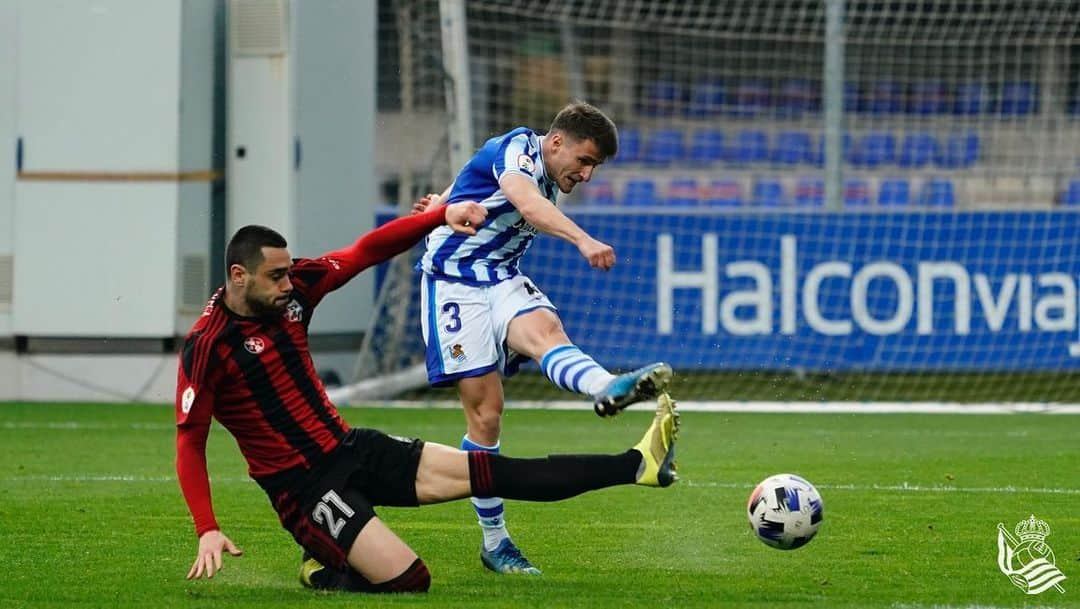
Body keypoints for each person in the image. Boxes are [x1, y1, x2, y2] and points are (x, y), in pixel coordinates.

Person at [175, 203, 681, 594]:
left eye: (289, 272)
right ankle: (325, 565)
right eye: (276, 276)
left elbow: (365, 251)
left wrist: (439, 216)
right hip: (305, 490)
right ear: (239, 276)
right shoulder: (208, 345)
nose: (290, 283)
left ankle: (636, 465)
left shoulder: (299, 289)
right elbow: (190, 443)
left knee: (495, 471)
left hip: (352, 448)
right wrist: (207, 529)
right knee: (410, 581)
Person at [413, 101, 672, 574]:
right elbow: (524, 201)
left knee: (545, 331)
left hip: (501, 276)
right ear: (556, 143)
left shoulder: (542, 170)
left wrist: (441, 202)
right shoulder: (517, 148)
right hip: (453, 284)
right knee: (486, 417)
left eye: (594, 166)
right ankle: (495, 543)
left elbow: (473, 178)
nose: (588, 175)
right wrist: (583, 240)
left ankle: (607, 387)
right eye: (585, 161)